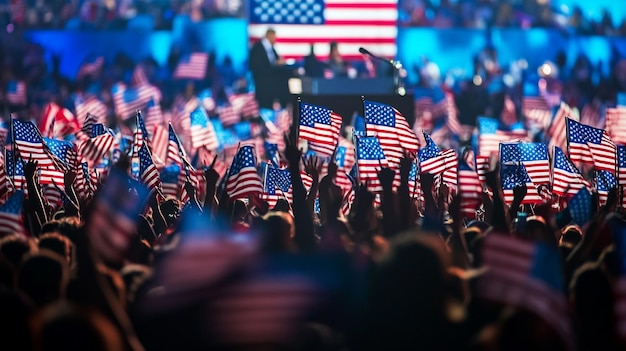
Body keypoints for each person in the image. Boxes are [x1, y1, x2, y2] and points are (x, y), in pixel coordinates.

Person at [248, 28, 291, 109]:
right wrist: (274, 65)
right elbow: (256, 66)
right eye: (274, 37)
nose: (275, 39)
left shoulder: (272, 49)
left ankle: (284, 104)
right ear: (270, 36)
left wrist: (279, 63)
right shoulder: (257, 48)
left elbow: (276, 61)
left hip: (272, 80)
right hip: (263, 82)